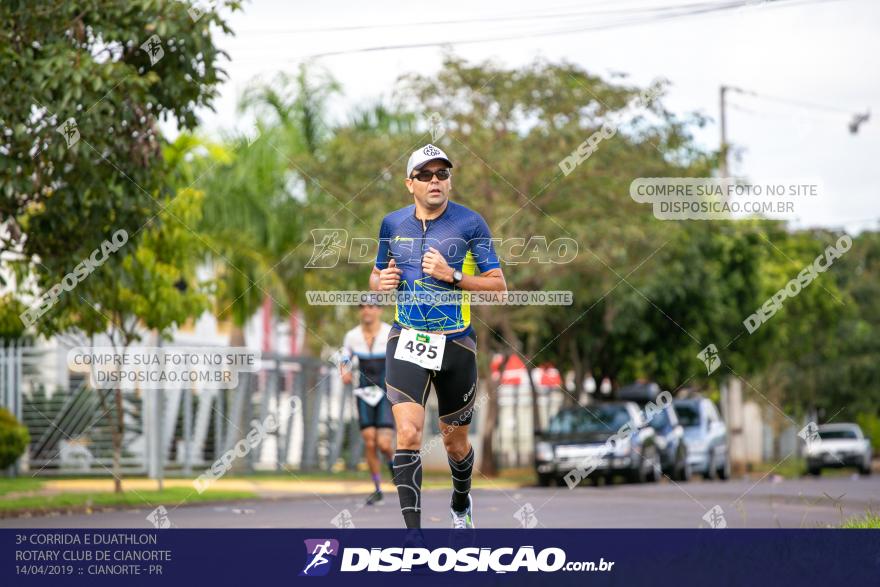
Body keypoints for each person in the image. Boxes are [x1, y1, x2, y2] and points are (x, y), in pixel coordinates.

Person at [370, 144, 507, 529]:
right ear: (409, 184)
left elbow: (499, 287)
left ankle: (460, 503)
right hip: (408, 339)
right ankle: (414, 536)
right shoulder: (391, 225)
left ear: (450, 180)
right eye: (426, 175)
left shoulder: (470, 223)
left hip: (455, 343)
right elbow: (376, 275)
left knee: (455, 443)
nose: (435, 181)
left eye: (442, 174)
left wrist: (454, 276)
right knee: (409, 432)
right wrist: (383, 281)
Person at [339, 302, 395, 505]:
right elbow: (345, 356)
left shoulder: (390, 332)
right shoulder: (352, 336)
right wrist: (344, 370)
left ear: (380, 310)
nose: (367, 310)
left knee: (384, 444)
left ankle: (392, 464)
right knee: (370, 441)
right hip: (364, 392)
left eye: (372, 306)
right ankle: (377, 488)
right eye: (362, 306)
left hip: (387, 392)